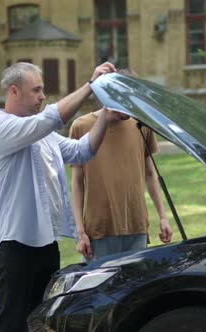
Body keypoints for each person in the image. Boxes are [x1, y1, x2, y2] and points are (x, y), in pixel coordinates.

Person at [0, 61, 117, 332]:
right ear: (14, 92)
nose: (42, 96)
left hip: (46, 243)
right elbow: (52, 118)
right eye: (36, 90)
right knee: (13, 324)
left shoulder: (42, 135)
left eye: (42, 90)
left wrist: (105, 115)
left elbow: (82, 151)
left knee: (42, 323)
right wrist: (90, 86)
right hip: (14, 245)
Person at [69, 69, 173, 262]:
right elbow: (77, 182)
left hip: (136, 226)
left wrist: (163, 217)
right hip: (99, 231)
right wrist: (80, 231)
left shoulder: (141, 125)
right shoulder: (81, 126)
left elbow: (150, 174)